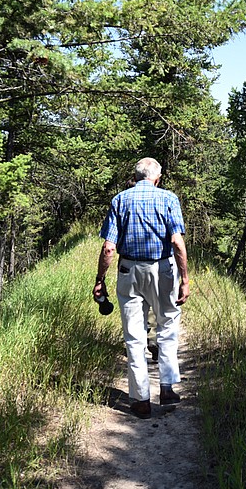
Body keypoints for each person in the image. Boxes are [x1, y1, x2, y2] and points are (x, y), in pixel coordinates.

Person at [95, 157, 190, 417]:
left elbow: (108, 247)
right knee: (167, 325)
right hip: (162, 270)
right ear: (157, 179)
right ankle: (168, 388)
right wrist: (185, 279)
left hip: (129, 271)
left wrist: (100, 280)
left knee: (135, 337)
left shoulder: (120, 200)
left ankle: (140, 400)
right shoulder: (169, 199)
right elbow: (177, 243)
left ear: (135, 177)